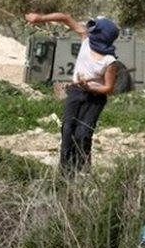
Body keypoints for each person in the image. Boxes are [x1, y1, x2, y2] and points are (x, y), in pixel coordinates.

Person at [24, 12, 119, 177]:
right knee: (67, 129)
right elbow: (65, 18)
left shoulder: (110, 61)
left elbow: (109, 88)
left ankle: (82, 171)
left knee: (83, 133)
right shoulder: (86, 40)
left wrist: (90, 87)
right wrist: (40, 19)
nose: (90, 30)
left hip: (95, 99)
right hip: (76, 92)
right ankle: (65, 172)